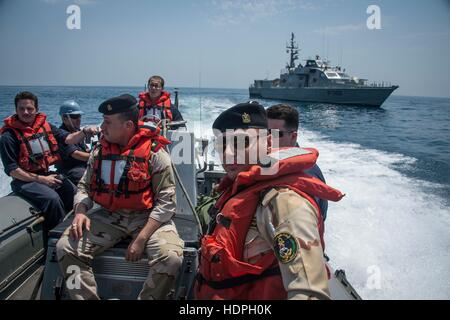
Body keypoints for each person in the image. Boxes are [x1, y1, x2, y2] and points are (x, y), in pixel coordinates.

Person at [195, 101, 344, 300]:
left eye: (241, 142)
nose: (228, 154)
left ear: (268, 143)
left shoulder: (284, 201)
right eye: (222, 145)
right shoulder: (239, 186)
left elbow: (308, 294)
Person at [56, 94, 184, 300]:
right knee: (65, 248)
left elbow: (167, 203)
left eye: (107, 123)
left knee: (171, 258)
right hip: (109, 216)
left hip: (147, 218)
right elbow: (84, 187)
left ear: (127, 125)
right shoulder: (99, 152)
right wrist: (80, 212)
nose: (102, 128)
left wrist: (141, 240)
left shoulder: (155, 154)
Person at [0, 91, 97, 237]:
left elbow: (69, 138)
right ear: (16, 110)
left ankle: (79, 227)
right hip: (24, 181)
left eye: (29, 109)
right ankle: (55, 237)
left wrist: (84, 131)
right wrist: (42, 180)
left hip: (46, 174)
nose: (26, 112)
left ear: (36, 109)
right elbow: (13, 170)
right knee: (52, 199)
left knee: (73, 191)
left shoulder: (45, 126)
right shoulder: (8, 137)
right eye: (21, 109)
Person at [267, 103, 329, 220]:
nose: (269, 139)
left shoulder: (307, 174)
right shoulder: (270, 163)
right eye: (266, 132)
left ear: (293, 137)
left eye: (276, 134)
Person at [56, 100, 90, 185]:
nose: (79, 119)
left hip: (83, 165)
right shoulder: (61, 135)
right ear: (64, 118)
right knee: (85, 176)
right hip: (70, 169)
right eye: (74, 116)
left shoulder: (78, 132)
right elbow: (77, 155)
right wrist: (99, 156)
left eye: (79, 116)